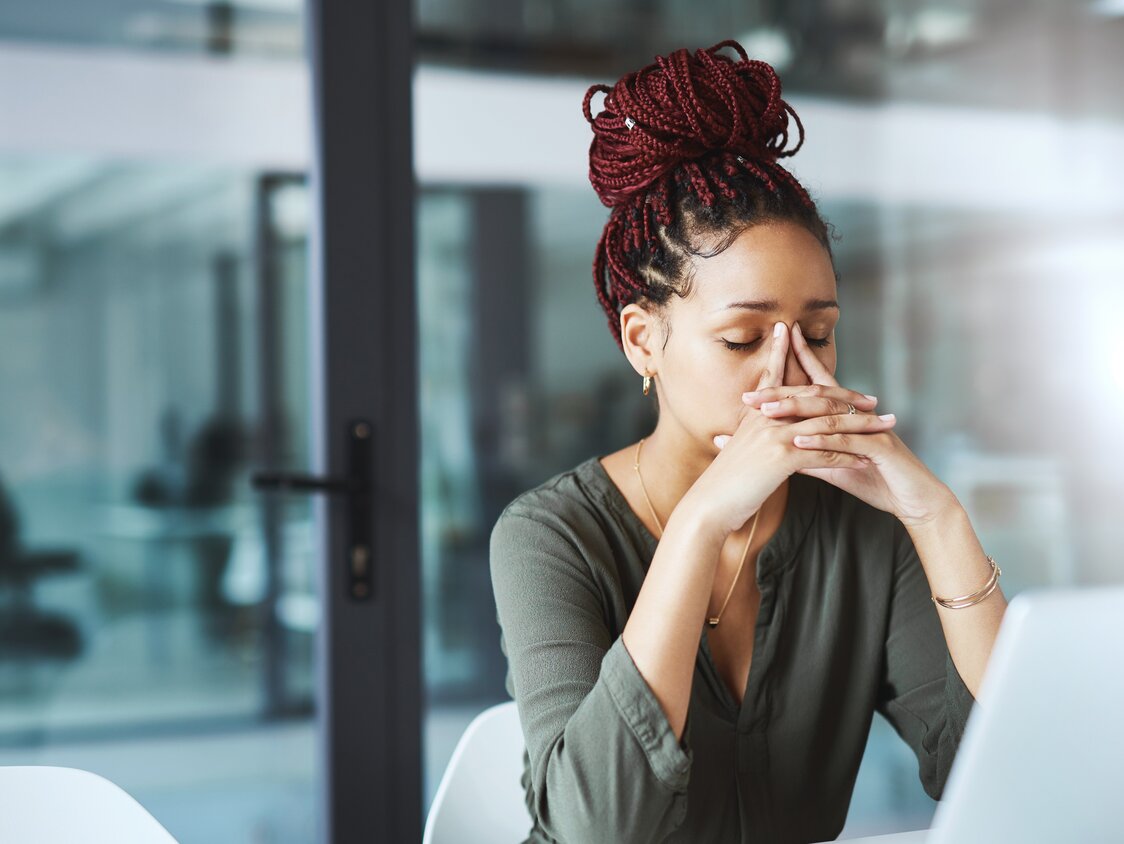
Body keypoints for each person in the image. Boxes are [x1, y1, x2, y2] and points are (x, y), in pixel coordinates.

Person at [488, 40, 1009, 844]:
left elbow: (998, 772)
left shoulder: (864, 528)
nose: (791, 371)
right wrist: (702, 521)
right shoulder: (548, 535)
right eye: (740, 340)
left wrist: (936, 518)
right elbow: (593, 829)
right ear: (641, 341)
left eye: (821, 334)